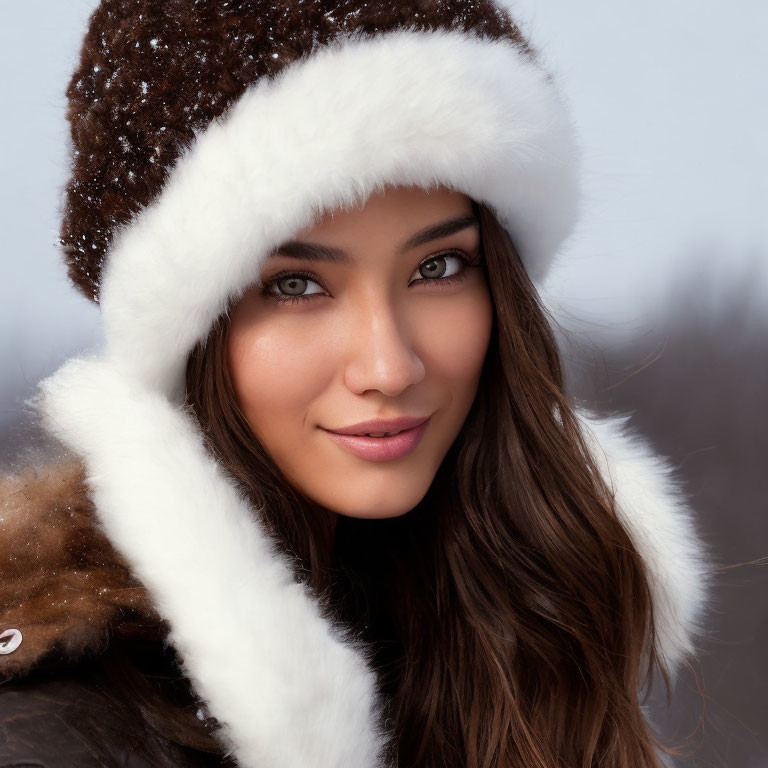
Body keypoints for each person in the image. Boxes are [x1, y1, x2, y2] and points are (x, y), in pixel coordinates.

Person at [0, 1, 711, 767]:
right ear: (188, 332)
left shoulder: (533, 637)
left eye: (437, 268)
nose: (389, 366)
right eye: (298, 285)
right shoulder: (55, 733)